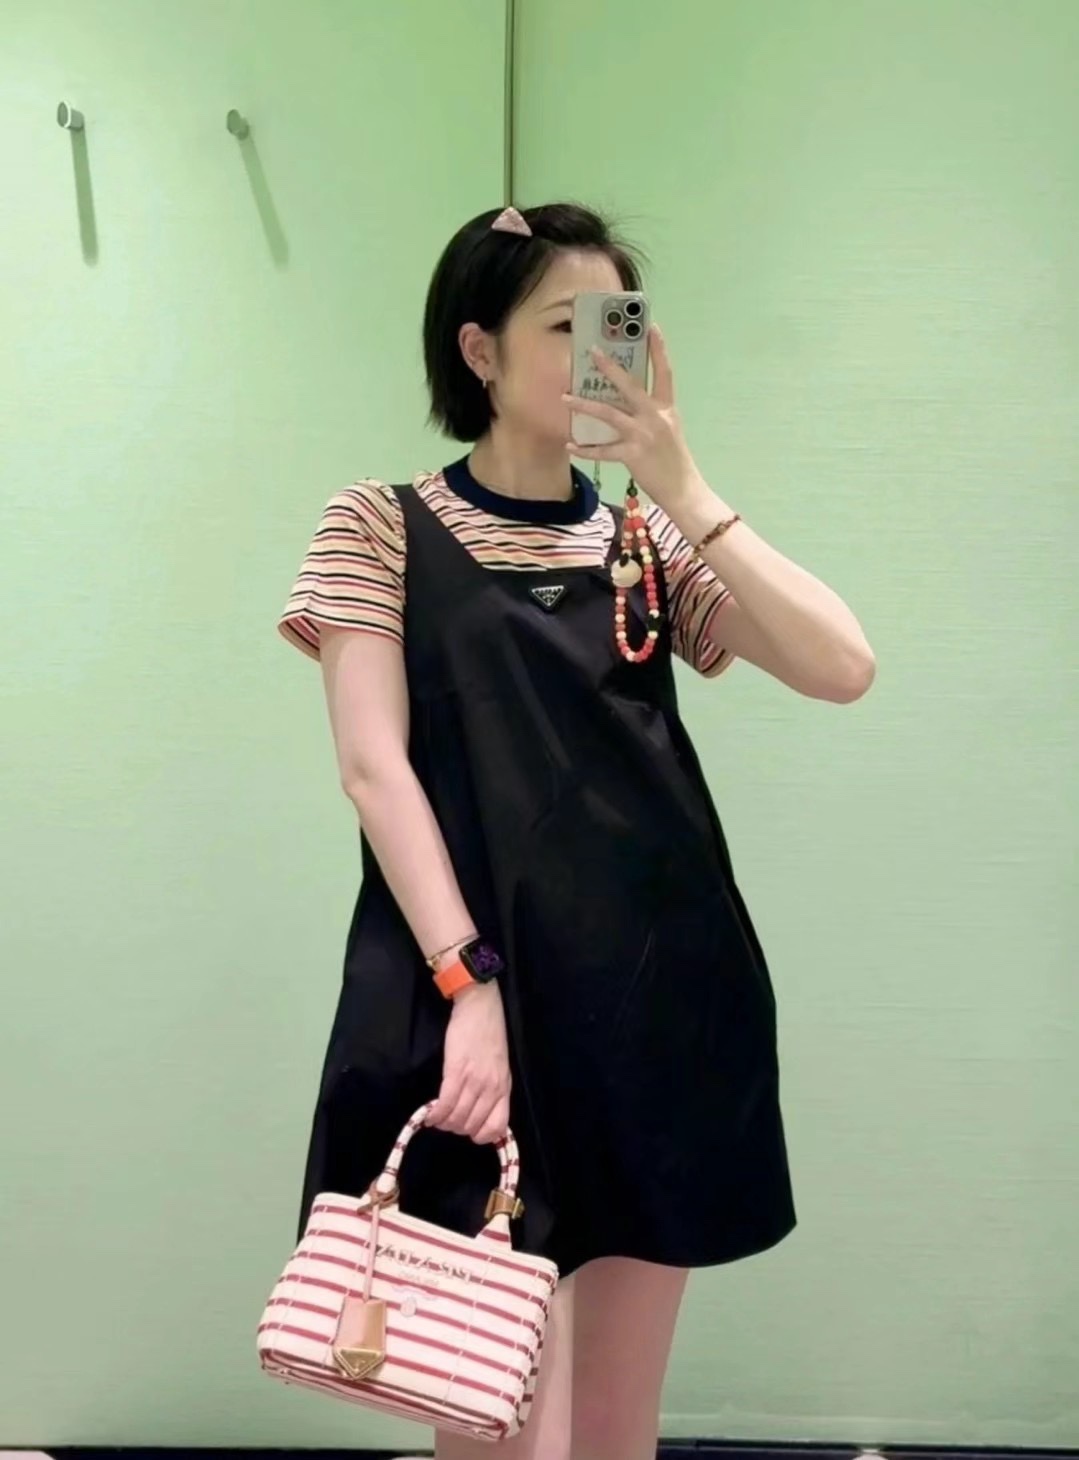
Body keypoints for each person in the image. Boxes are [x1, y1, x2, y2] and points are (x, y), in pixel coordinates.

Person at [277, 201, 875, 1460]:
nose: (600, 349)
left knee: (612, 1427)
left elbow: (840, 665)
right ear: (478, 350)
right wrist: (468, 984)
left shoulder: (644, 539)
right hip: (469, 1001)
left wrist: (681, 482)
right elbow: (374, 770)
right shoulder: (377, 524)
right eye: (564, 324)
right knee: (493, 1410)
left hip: (653, 1002)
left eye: (617, 322)